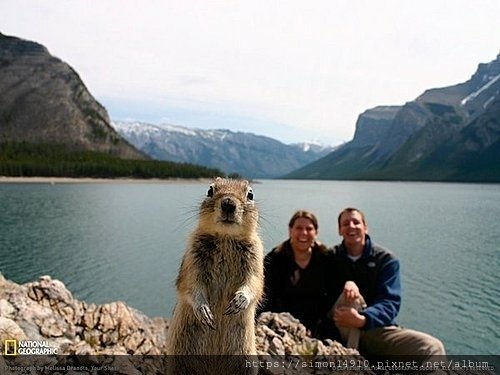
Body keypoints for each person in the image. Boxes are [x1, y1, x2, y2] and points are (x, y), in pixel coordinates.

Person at [331, 207, 446, 360]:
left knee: (432, 347)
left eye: (356, 222)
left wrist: (363, 319)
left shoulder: (386, 260)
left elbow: (390, 302)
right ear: (340, 230)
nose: (351, 226)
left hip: (373, 330)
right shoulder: (330, 257)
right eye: (346, 223)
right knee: (351, 297)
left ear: (365, 227)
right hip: (339, 328)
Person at [259, 210, 338, 338]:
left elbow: (333, 292)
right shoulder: (275, 259)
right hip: (282, 325)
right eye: (299, 228)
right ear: (290, 230)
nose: (304, 233)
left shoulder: (326, 258)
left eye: (309, 229)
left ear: (316, 233)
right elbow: (266, 297)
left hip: (318, 325)